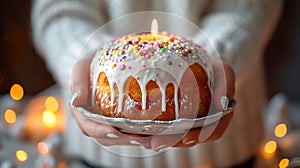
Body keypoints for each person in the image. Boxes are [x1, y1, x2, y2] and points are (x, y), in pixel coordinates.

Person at [31, 0, 283, 167]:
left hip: (225, 153)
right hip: (97, 155)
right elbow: (59, 7)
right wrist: (86, 59)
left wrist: (216, 56)